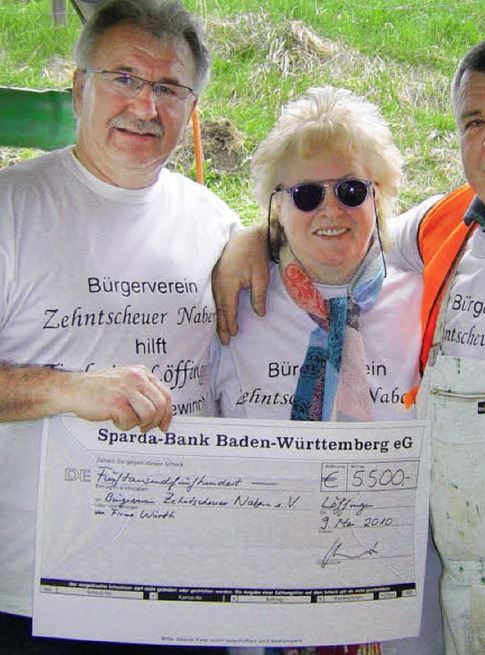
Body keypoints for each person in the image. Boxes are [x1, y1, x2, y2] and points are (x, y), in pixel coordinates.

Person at [212, 33, 485, 654]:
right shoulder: (446, 229)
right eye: (474, 121)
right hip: (468, 601)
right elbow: (331, 232)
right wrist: (251, 238)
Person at [0, 0, 239, 651]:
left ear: (191, 108)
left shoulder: (217, 224)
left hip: (182, 587)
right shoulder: (12, 209)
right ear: (80, 88)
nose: (146, 106)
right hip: (34, 598)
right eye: (125, 79)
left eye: (168, 87)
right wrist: (68, 389)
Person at [210, 86, 443, 655]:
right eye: (307, 194)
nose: (331, 210)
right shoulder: (230, 300)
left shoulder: (429, 295)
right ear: (276, 207)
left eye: (351, 189)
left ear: (380, 196)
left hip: (403, 611)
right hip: (266, 600)